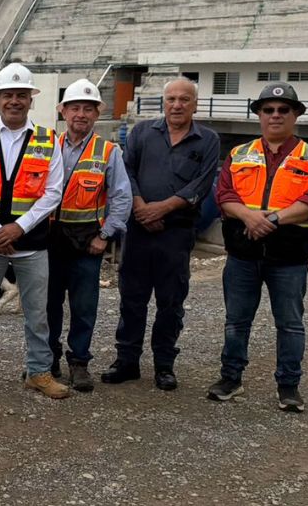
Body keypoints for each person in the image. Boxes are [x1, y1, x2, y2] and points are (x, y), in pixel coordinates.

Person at [207, 82, 308, 412]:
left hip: (288, 258)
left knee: (290, 324)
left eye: (283, 110)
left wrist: (271, 220)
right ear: (259, 115)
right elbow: (224, 195)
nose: (275, 115)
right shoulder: (238, 154)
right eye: (268, 110)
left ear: (295, 115)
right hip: (242, 255)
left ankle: (288, 387)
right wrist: (249, 217)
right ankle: (230, 379)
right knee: (236, 321)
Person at [0, 63, 70, 400]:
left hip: (32, 244)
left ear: (31, 100)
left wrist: (18, 228)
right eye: (9, 95)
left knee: (38, 312)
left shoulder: (48, 140)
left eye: (22, 95)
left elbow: (53, 192)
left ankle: (39, 373)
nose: (15, 101)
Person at [101, 77, 220, 391]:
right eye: (171, 99)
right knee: (132, 299)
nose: (177, 105)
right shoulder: (142, 132)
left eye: (184, 99)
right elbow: (126, 172)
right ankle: (126, 361)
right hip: (138, 231)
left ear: (195, 104)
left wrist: (162, 209)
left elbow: (201, 184)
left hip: (176, 234)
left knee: (171, 302)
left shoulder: (207, 140)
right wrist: (141, 207)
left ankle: (164, 365)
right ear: (163, 102)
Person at [45, 79, 131, 392]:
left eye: (87, 108)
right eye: (74, 108)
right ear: (63, 112)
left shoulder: (108, 152)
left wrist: (105, 236)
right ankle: (47, 362)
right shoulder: (47, 145)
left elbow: (122, 197)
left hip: (87, 244)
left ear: (96, 114)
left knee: (84, 308)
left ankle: (79, 363)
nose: (80, 114)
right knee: (48, 306)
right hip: (50, 240)